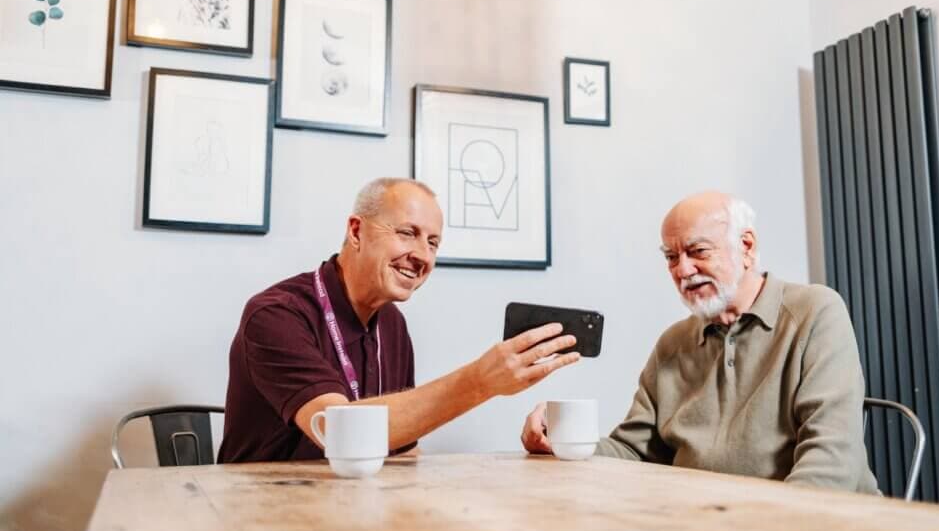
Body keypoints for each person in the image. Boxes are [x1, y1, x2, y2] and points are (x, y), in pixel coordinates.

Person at [521, 191, 879, 494]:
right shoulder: (673, 343)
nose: (682, 270)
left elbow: (831, 460)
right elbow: (634, 450)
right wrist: (563, 444)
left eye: (698, 251)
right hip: (710, 527)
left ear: (747, 247)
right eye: (671, 257)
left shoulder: (816, 312)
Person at [219, 177, 579, 462]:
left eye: (434, 243)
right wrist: (482, 381)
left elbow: (403, 450)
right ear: (356, 231)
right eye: (408, 233)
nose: (422, 255)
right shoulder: (276, 314)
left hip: (351, 513)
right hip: (263, 518)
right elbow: (337, 430)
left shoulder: (392, 323)